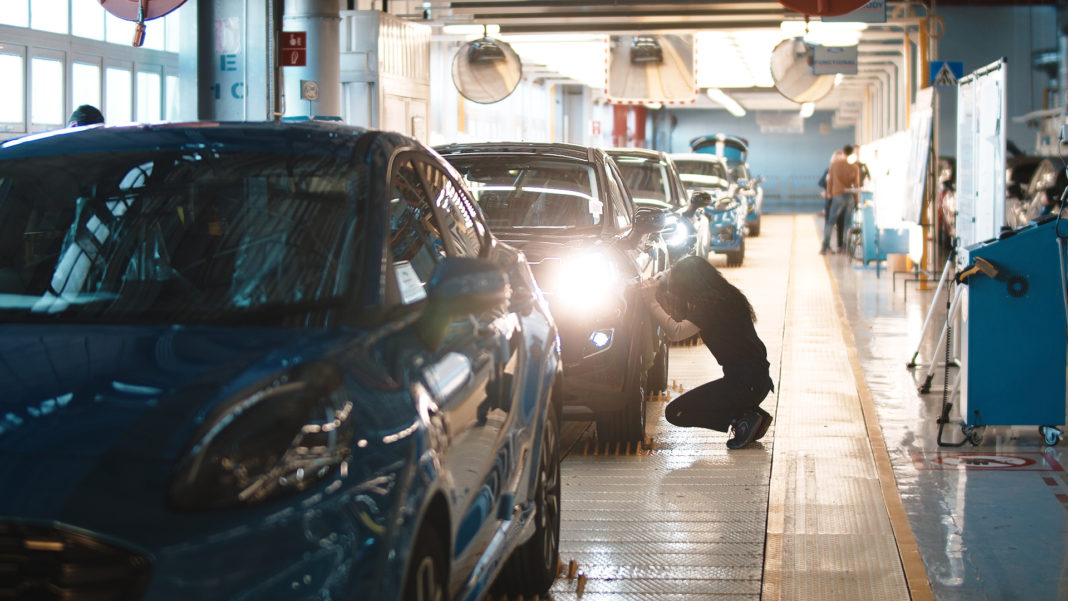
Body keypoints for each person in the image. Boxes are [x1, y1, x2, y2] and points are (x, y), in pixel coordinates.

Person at [641, 256, 774, 449]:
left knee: (675, 413)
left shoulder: (709, 306)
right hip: (756, 380)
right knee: (697, 403)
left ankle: (743, 418)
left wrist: (651, 301)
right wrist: (662, 280)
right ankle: (748, 412)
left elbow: (676, 332)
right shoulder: (725, 294)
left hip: (745, 383)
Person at [820, 145, 860, 255]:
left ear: (843, 152)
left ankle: (825, 246)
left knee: (831, 222)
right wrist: (856, 200)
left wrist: (829, 194)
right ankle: (846, 247)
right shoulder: (854, 167)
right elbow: (856, 185)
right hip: (849, 197)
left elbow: (829, 181)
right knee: (847, 224)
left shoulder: (834, 165)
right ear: (851, 154)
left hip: (837, 196)